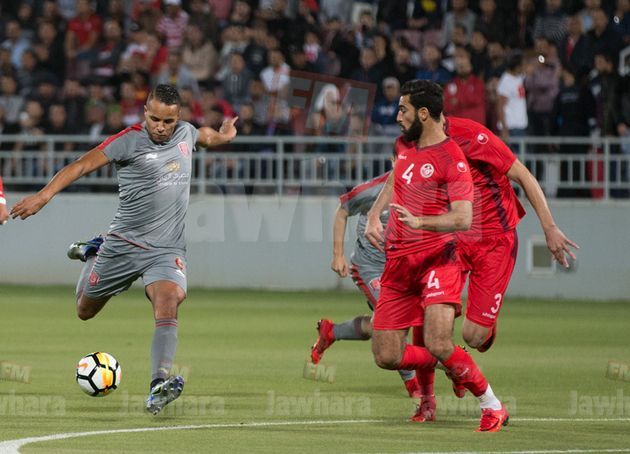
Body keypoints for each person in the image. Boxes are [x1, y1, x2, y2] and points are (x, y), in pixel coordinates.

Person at [10, 84, 238, 415]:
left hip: (166, 247)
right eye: (155, 119)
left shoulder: (186, 133)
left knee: (168, 301)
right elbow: (81, 165)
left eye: (168, 121)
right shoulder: (128, 140)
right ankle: (93, 252)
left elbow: (204, 136)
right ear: (145, 113)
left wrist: (224, 136)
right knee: (84, 310)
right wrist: (43, 197)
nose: (161, 127)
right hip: (123, 245)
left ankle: (158, 385)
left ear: (178, 118)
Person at [365, 79, 509, 432]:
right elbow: (396, 177)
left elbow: (463, 218)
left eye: (403, 109)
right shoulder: (404, 146)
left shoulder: (452, 158)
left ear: (423, 114)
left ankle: (491, 405)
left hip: (437, 261)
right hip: (399, 264)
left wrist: (421, 222)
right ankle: (452, 363)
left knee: (438, 340)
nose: (397, 116)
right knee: (386, 355)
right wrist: (373, 214)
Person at [310, 172, 422, 399]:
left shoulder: (425, 186)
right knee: (393, 324)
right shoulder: (373, 190)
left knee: (381, 325)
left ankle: (332, 331)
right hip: (371, 268)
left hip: (404, 270)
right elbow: (342, 211)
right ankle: (415, 386)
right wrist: (338, 255)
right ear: (394, 162)